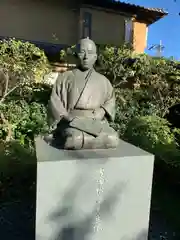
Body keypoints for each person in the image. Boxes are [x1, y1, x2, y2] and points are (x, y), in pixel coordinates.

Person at [46, 38, 119, 149]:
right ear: (76, 55)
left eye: (90, 53)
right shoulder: (65, 77)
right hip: (71, 121)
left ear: (95, 57)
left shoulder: (103, 81)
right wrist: (67, 117)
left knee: (112, 139)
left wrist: (102, 110)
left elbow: (110, 100)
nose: (86, 57)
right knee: (74, 139)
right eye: (82, 52)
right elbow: (55, 101)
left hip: (96, 122)